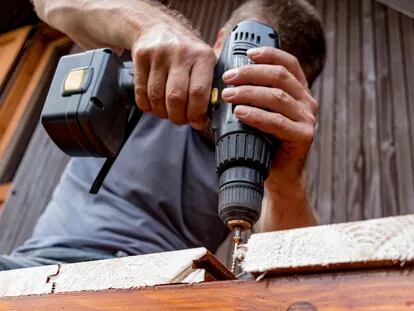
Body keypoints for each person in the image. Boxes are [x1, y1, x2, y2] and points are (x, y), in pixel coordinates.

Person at [0, 0, 325, 270]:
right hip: (45, 264)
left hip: (166, 288)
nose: (248, 90)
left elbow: (294, 267)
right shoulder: (147, 60)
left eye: (273, 82)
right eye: (245, 62)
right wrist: (150, 26)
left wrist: (286, 180)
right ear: (219, 41)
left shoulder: (270, 156)